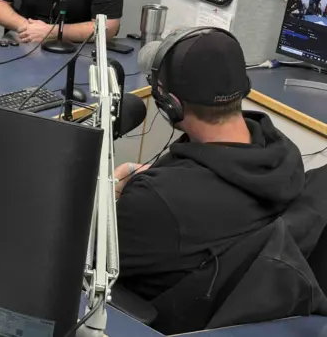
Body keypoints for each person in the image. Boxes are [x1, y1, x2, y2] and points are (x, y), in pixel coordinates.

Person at [114, 28, 316, 307]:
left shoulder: (157, 201)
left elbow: (85, 256)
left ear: (170, 104)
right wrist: (169, 180)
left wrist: (111, 191)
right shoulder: (284, 155)